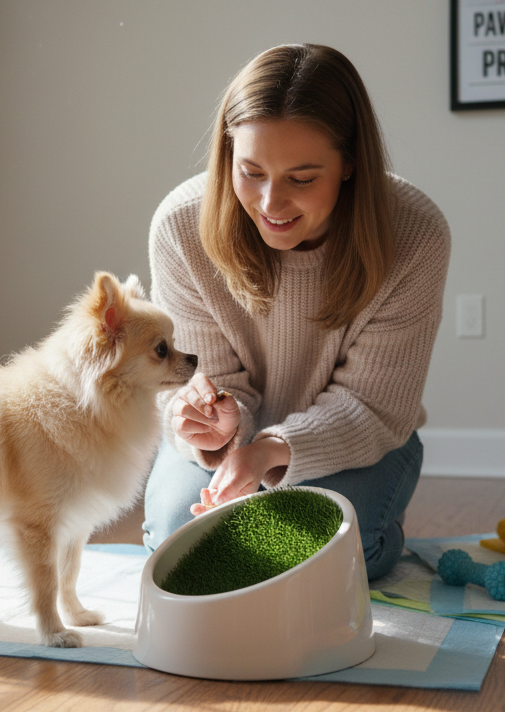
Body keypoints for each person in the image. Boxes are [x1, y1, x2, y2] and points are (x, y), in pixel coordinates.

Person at [141, 43, 450, 580]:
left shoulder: (414, 234)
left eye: (302, 179)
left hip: (357, 442)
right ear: (227, 152)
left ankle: (377, 536)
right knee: (178, 539)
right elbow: (195, 382)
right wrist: (215, 426)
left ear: (351, 162)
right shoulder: (181, 228)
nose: (269, 204)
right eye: (250, 171)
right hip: (232, 449)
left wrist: (270, 450)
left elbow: (374, 405)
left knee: (299, 553)